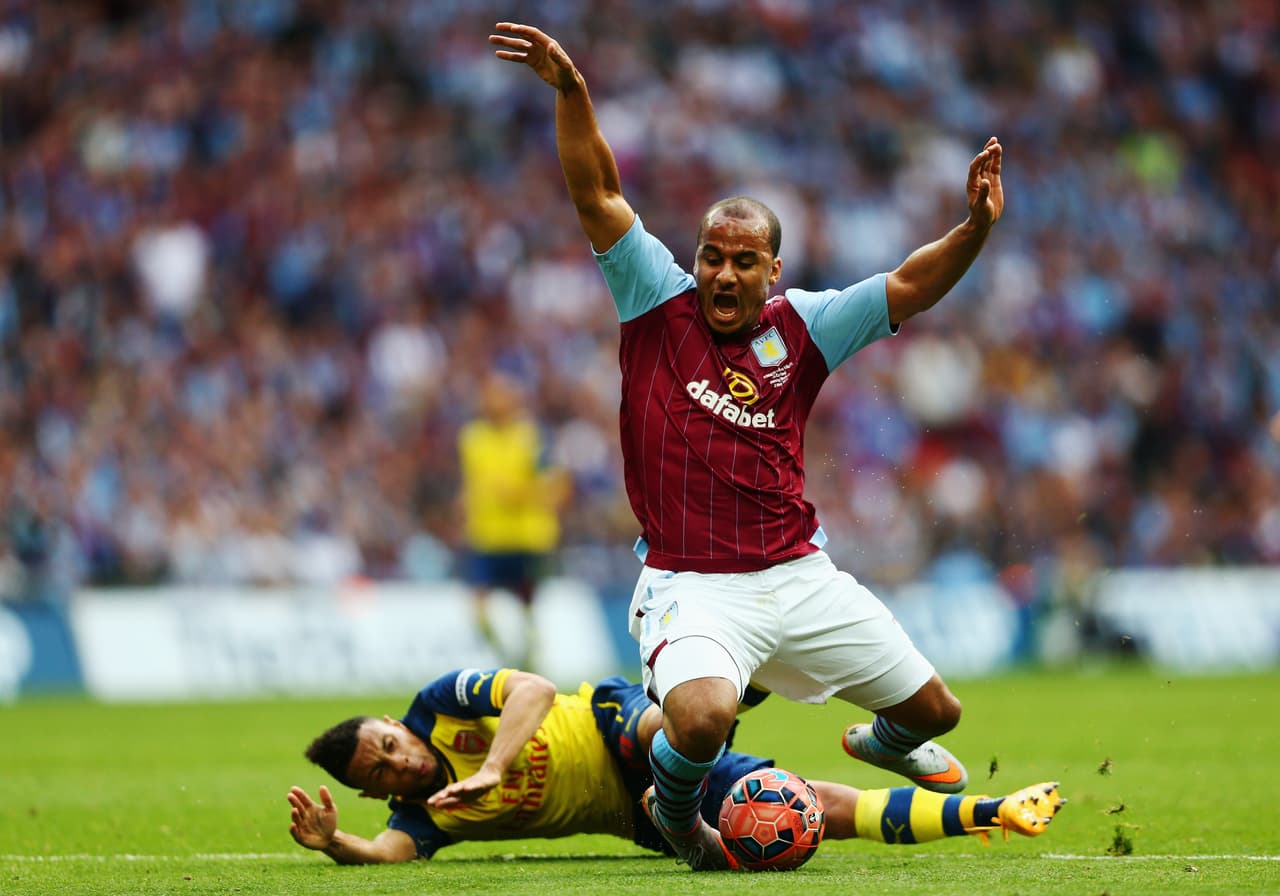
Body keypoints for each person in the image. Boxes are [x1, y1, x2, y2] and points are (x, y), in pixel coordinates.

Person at [490, 21, 1006, 870]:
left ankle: (879, 743)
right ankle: (676, 811)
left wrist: (975, 229)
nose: (722, 275)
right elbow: (599, 193)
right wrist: (573, 95)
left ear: (773, 270)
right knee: (699, 720)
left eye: (743, 261)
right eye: (711, 257)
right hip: (692, 583)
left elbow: (912, 282)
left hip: (798, 573)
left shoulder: (806, 325)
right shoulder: (655, 298)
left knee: (936, 716)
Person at [287, 667, 1064, 865]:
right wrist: (335, 846)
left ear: (394, 724)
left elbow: (532, 689)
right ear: (368, 792)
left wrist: (493, 764)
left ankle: (757, 666)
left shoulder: (440, 704)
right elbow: (385, 851)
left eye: (389, 744)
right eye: (380, 773)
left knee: (668, 725)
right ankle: (989, 810)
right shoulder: (423, 816)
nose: (401, 762)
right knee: (794, 817)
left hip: (609, 721)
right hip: (638, 818)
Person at [457, 370, 571, 669]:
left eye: (500, 395)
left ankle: (530, 658)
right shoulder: (472, 438)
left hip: (527, 536)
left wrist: (523, 495)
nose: (493, 402)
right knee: (480, 608)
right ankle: (506, 656)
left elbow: (555, 483)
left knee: (527, 606)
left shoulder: (531, 436)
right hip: (487, 536)